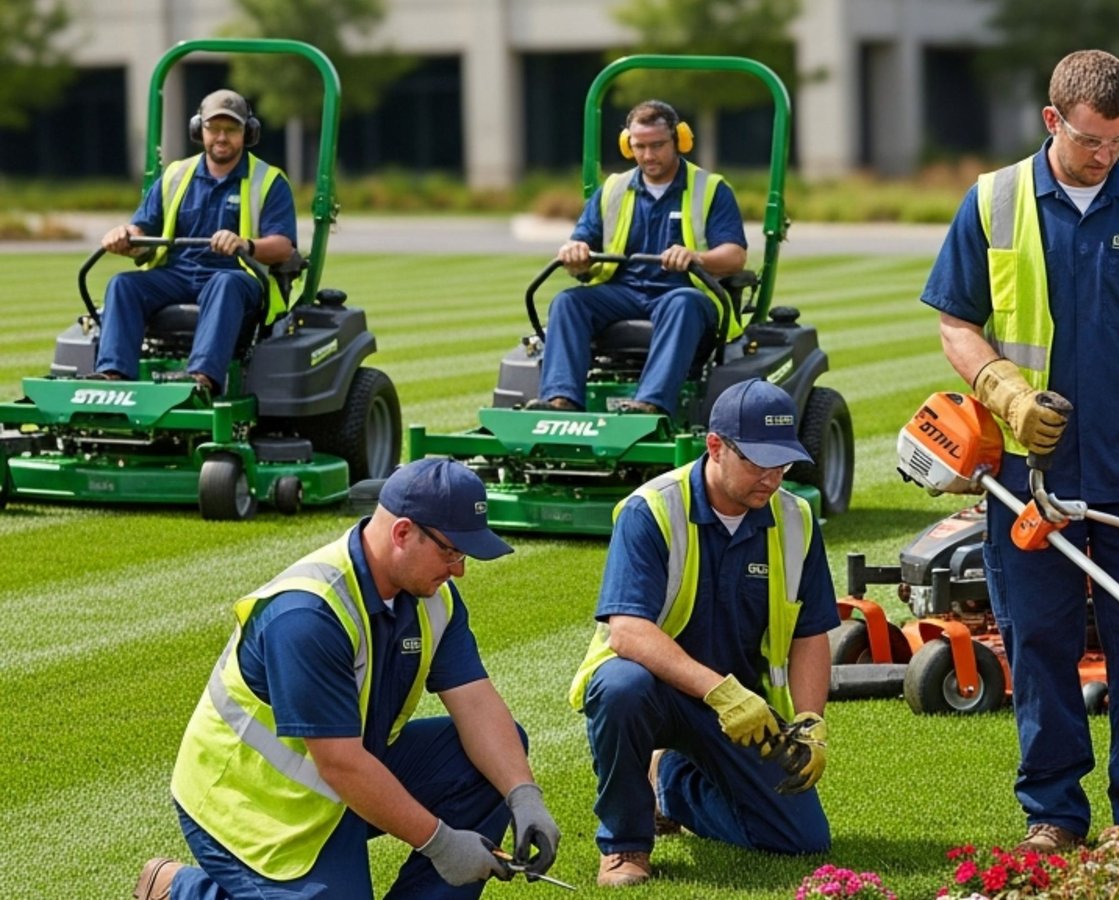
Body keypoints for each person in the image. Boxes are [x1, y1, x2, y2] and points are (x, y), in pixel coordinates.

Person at [920, 49, 1119, 851]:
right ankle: (1054, 814)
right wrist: (1006, 392)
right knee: (1041, 646)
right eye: (1093, 140)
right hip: (1032, 481)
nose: (1108, 155)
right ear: (1053, 121)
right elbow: (957, 322)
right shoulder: (992, 202)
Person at [132, 458, 561, 900]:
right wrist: (443, 843)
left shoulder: (433, 598)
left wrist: (523, 794)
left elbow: (476, 702)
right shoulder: (307, 614)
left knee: (492, 761)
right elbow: (338, 763)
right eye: (451, 551)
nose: (459, 569)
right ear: (402, 533)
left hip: (345, 777)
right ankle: (184, 890)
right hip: (255, 808)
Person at [567, 378, 837, 887]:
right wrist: (718, 689)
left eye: (782, 463)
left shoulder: (797, 519)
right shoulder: (651, 510)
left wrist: (808, 720)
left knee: (802, 840)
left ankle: (672, 784)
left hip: (746, 711)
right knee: (619, 688)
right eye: (758, 462)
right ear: (715, 447)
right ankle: (625, 846)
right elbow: (626, 632)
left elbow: (810, 632)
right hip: (657, 693)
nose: (773, 477)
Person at [529, 99, 748, 416]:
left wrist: (695, 257)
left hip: (685, 294)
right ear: (627, 145)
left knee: (682, 302)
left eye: (657, 145)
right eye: (639, 146)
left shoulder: (710, 189)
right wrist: (574, 254)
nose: (648, 155)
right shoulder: (612, 190)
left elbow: (735, 256)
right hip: (624, 293)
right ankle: (560, 401)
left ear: (680, 140)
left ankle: (650, 403)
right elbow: (581, 242)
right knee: (568, 302)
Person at [93, 89, 298, 394]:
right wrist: (125, 236)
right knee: (123, 285)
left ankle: (201, 380)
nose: (221, 137)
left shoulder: (268, 181)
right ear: (197, 129)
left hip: (240, 279)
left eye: (231, 129)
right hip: (177, 275)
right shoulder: (176, 175)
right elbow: (142, 231)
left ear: (249, 132)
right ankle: (113, 375)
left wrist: (245, 244)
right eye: (213, 128)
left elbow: (284, 246)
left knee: (224, 282)